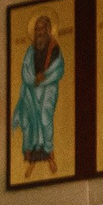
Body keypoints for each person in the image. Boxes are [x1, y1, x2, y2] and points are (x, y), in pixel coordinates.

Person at [15, 12, 65, 172]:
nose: (39, 32)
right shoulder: (31, 50)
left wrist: (44, 78)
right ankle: (32, 160)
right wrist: (33, 79)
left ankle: (50, 154)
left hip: (48, 89)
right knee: (31, 121)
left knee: (44, 118)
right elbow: (25, 70)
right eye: (37, 29)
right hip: (32, 90)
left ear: (48, 30)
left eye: (42, 29)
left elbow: (58, 69)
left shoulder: (54, 48)